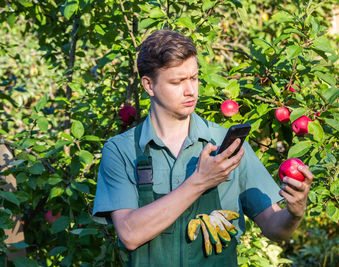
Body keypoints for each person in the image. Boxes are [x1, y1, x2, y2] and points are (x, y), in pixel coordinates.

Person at [92, 30, 314, 266]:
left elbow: (274, 227)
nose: (190, 90)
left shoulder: (228, 145)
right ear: (149, 85)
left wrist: (294, 213)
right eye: (177, 81)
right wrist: (200, 181)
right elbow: (130, 234)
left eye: (194, 78)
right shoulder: (121, 150)